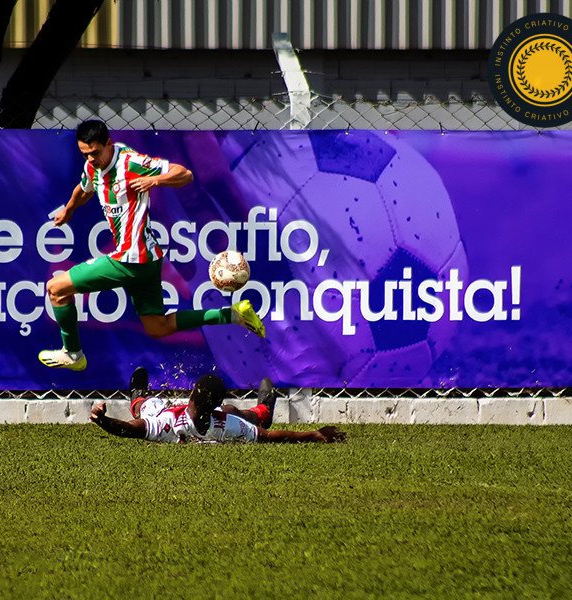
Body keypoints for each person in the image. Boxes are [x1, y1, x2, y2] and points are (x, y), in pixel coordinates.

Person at [38, 120, 266, 371]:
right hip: (147, 260)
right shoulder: (93, 166)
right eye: (85, 154)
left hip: (129, 259)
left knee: (56, 289)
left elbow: (185, 174)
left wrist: (154, 181)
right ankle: (234, 314)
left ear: (108, 144)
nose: (91, 159)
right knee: (158, 327)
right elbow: (84, 189)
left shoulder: (130, 163)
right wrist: (69, 211)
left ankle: (73, 354)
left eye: (95, 153)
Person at [90, 367, 347, 444]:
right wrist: (313, 435)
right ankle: (264, 411)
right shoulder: (225, 424)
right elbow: (271, 436)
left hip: (164, 413)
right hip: (209, 417)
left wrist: (103, 420)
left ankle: (137, 397)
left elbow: (130, 428)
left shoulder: (166, 424)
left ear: (190, 396)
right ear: (215, 405)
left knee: (145, 407)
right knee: (235, 413)